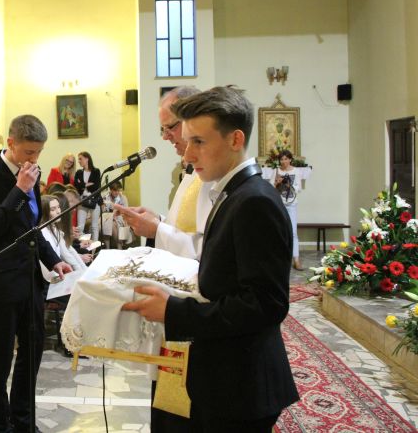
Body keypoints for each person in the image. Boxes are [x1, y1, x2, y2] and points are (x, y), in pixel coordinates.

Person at [121, 86, 299, 430]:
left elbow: (265, 305)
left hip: (242, 385)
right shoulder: (232, 193)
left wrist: (173, 311)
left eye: (199, 142)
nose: (188, 155)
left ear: (235, 139)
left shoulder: (254, 201)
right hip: (226, 376)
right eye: (187, 141)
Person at [0, 114, 72, 433]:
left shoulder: (31, 170)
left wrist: (53, 259)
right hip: (1, 282)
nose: (35, 159)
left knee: (32, 355)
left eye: (39, 152)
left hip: (30, 281)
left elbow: (31, 228)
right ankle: (1, 427)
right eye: (29, 152)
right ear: (11, 142)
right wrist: (19, 189)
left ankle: (24, 422)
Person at [116, 86, 212, 259]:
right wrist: (157, 220)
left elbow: (207, 247)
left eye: (170, 127)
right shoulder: (193, 169)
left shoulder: (211, 174)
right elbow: (183, 226)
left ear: (193, 119)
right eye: (163, 129)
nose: (165, 137)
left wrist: (156, 229)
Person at [271, 149, 303, 270]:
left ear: (290, 159)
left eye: (286, 159)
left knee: (293, 232)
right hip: (279, 203)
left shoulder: (296, 171)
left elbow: (298, 188)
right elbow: (270, 188)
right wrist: (276, 182)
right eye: (281, 159)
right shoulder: (276, 171)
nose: (283, 161)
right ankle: (279, 259)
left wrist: (290, 185)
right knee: (278, 230)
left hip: (291, 204)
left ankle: (296, 259)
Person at [73, 151, 102, 241]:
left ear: (87, 159)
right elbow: (76, 186)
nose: (79, 161)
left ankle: (95, 247)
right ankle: (83, 245)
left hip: (94, 200)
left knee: (94, 227)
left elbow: (96, 186)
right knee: (80, 227)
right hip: (82, 201)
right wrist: (87, 184)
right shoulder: (78, 172)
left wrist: (82, 184)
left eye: (80, 159)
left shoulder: (96, 171)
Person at [101, 181, 131, 249]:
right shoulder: (106, 197)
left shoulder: (123, 198)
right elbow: (103, 211)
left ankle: (116, 247)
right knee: (107, 223)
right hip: (108, 218)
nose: (117, 192)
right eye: (115, 190)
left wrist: (116, 212)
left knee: (112, 224)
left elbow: (126, 211)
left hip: (119, 218)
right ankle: (110, 248)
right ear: (111, 190)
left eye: (118, 190)